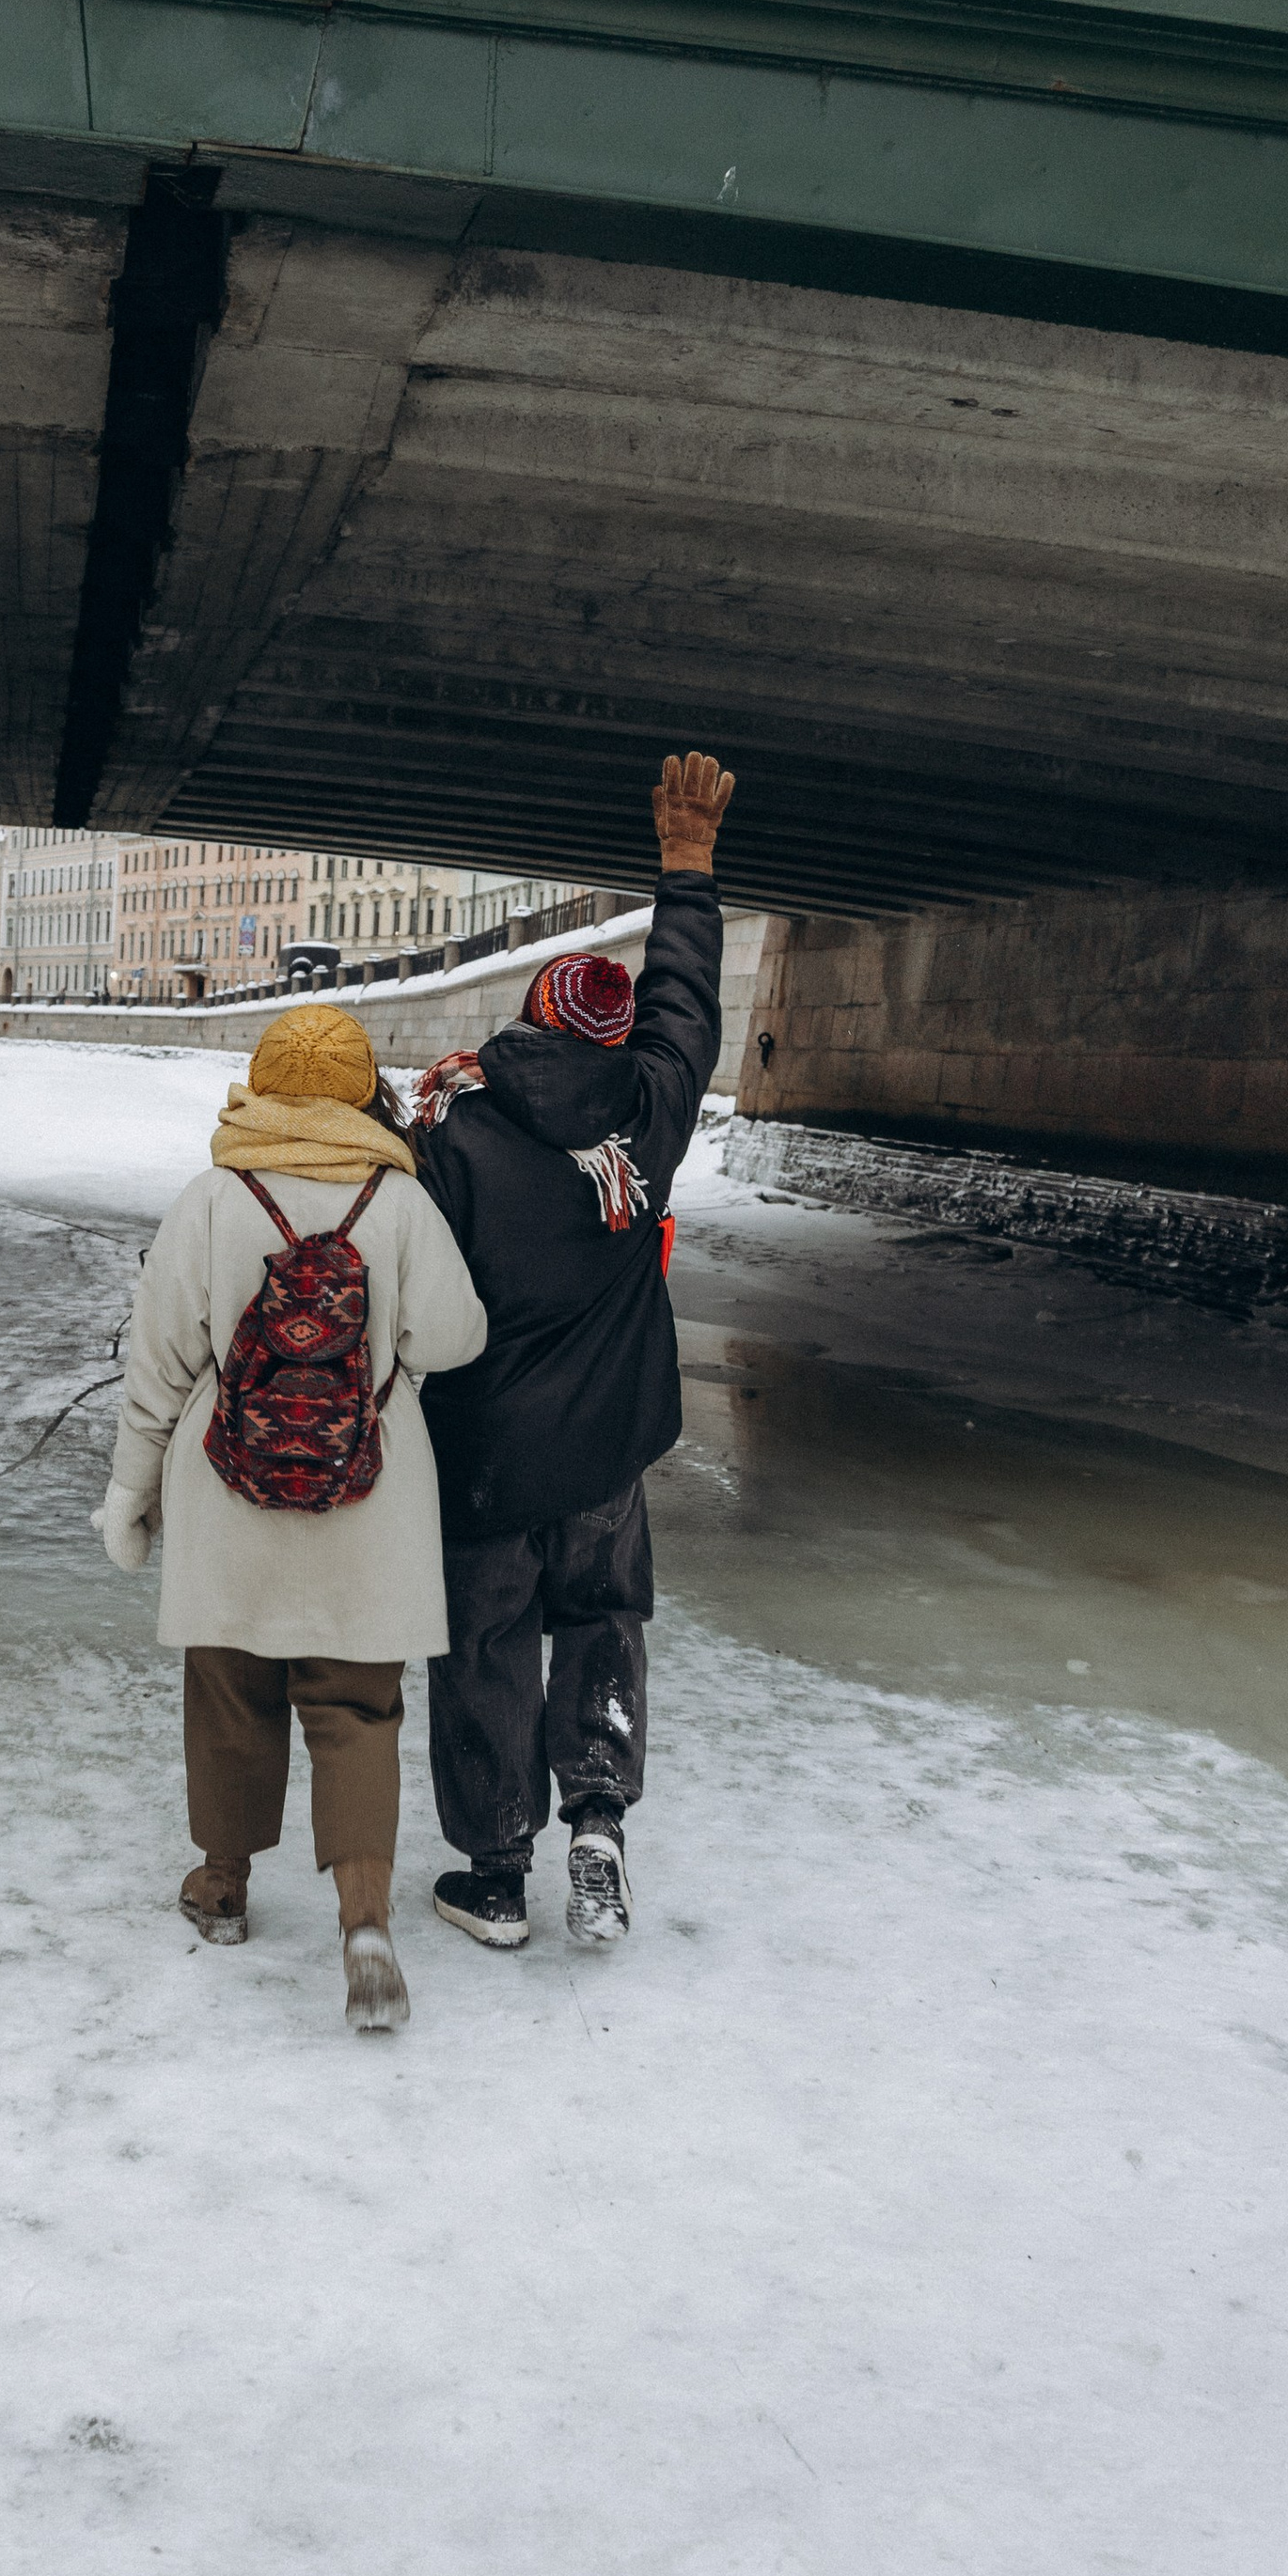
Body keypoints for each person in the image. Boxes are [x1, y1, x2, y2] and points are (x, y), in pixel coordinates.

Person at [94, 1000, 487, 2031]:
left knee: (229, 1689)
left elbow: (158, 1371)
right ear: (364, 1095)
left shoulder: (211, 1198)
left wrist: (129, 1497)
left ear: (260, 1085)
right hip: (369, 1498)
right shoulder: (400, 1205)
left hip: (227, 1495)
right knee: (356, 1709)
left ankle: (223, 1883)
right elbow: (452, 1340)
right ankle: (362, 1921)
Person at [412, 749, 735, 1955]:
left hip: (487, 1452)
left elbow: (412, 1275)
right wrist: (687, 868)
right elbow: (686, 1003)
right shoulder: (648, 1114)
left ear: (529, 1023)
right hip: (606, 1449)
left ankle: (497, 1875)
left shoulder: (462, 1132)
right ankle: (597, 1820)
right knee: (601, 1624)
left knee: (486, 1646)